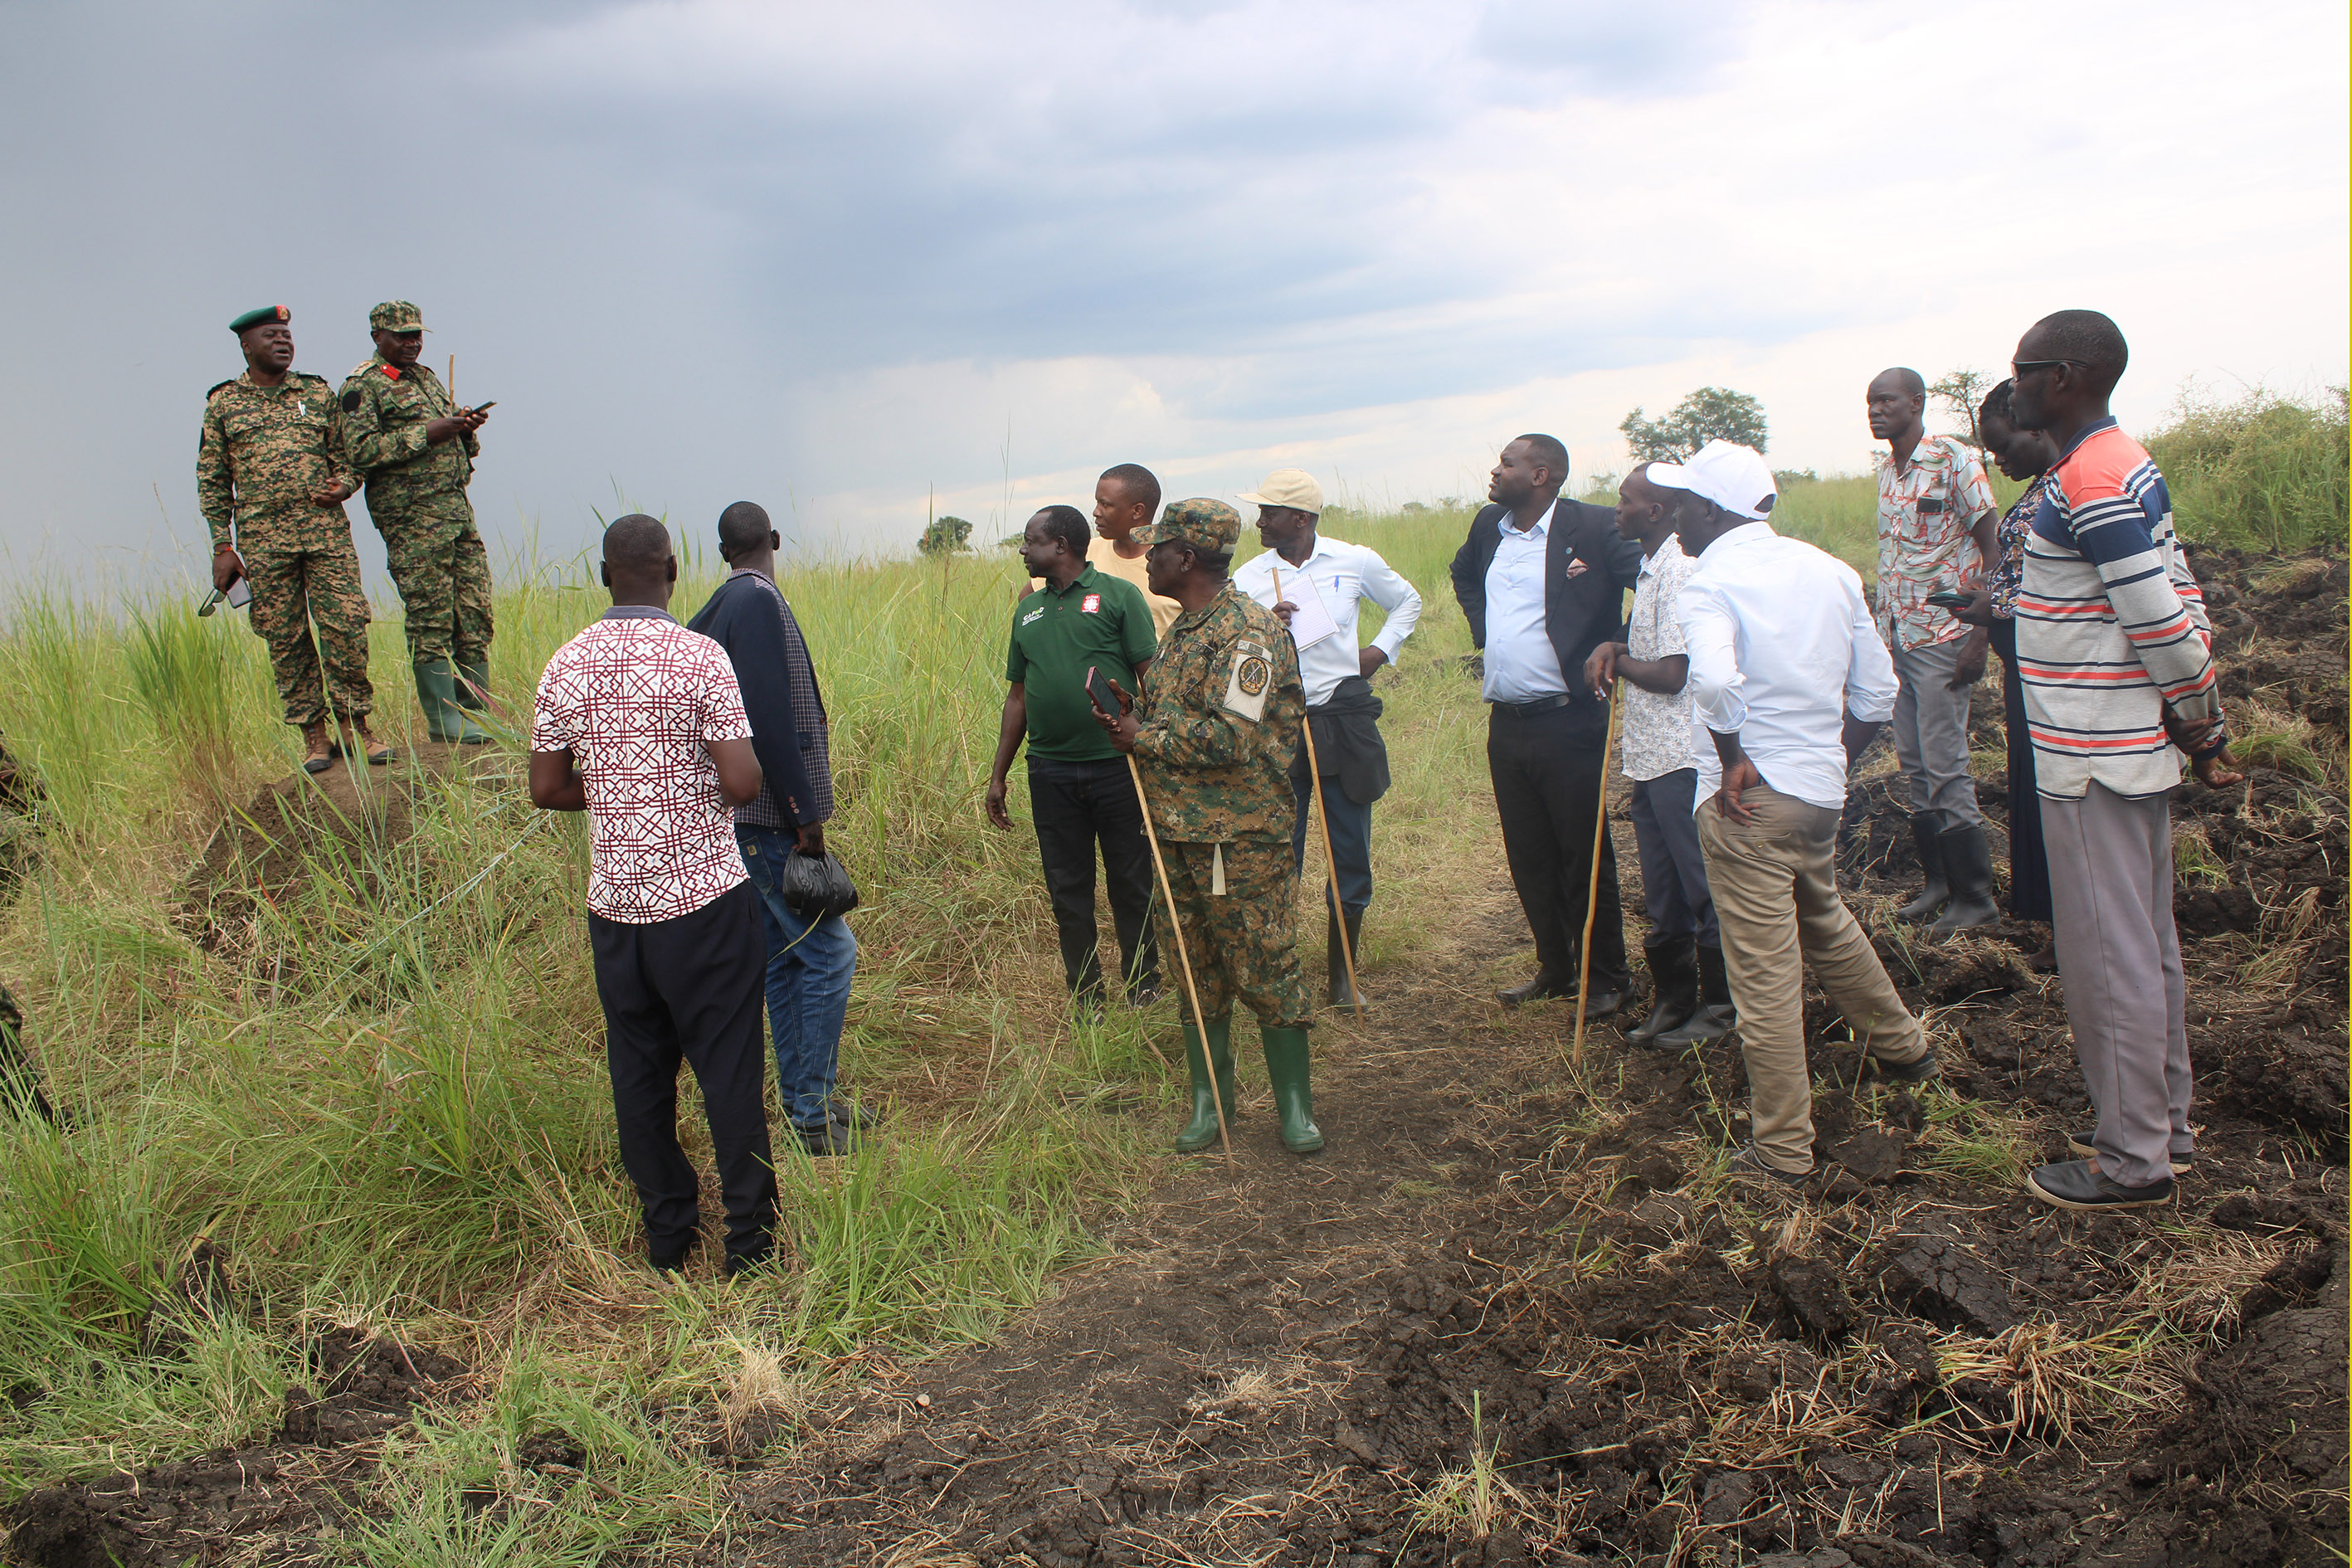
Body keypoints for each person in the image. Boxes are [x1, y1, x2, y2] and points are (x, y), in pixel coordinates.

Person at [1659, 441, 1938, 1186]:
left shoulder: (1706, 580)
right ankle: (1905, 1049)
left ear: (1713, 509)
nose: (1674, 515)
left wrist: (1731, 755)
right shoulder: (1829, 571)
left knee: (1762, 977)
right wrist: (1830, 758)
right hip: (1816, 794)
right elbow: (1877, 695)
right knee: (1822, 917)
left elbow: (1714, 680)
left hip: (1747, 803)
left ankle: (1781, 1151)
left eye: (1682, 502)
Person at [2007, 309, 2232, 1213]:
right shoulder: (2120, 462)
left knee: (2108, 961)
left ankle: (2133, 1161)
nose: (2012, 383)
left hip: (2093, 758)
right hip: (2127, 750)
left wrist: (2203, 720)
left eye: (2022, 369)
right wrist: (2193, 718)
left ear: (2063, 376)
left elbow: (2160, 619)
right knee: (2147, 947)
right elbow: (2182, 590)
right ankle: (2165, 1128)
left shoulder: (2090, 478)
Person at [528, 514, 778, 1274]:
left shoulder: (564, 664)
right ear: (673, 569)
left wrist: (614, 793)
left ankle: (668, 1236)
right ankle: (749, 1244)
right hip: (703, 897)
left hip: (616, 910)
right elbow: (740, 781)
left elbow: (545, 788)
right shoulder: (700, 657)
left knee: (638, 1075)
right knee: (728, 1071)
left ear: (607, 576)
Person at [1091, 499, 1318, 1154]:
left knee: (1265, 963)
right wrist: (1135, 721)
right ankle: (1208, 1102)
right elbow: (1179, 713)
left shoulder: (1248, 633)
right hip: (1175, 833)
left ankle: (1293, 1111)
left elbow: (1231, 737)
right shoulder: (1186, 631)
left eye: (1155, 549)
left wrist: (1144, 736)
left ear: (1184, 559)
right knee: (1194, 969)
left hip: (1240, 837)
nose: (1146, 559)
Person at [686, 503, 865, 1156]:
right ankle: (812, 1114)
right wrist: (803, 811)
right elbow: (763, 712)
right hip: (765, 818)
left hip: (742, 817)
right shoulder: (758, 603)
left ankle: (804, 1103)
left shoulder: (716, 605)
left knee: (787, 959)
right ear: (775, 541)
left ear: (721, 549)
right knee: (827, 953)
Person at [1448, 435, 1643, 1010]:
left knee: (1581, 852)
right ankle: (1556, 967)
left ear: (1541, 475)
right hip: (1507, 722)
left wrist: (1620, 643)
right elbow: (1461, 575)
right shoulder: (1490, 527)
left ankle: (1606, 977)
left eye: (1506, 463)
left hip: (1570, 719)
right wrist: (1487, 633)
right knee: (1528, 853)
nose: (1494, 470)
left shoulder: (1593, 527)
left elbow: (1653, 586)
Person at [1232, 468, 1422, 1009]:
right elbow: (1238, 661)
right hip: (1279, 726)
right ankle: (1282, 974)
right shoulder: (1247, 577)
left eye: (1269, 512)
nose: (1260, 520)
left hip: (1341, 720)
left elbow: (1406, 602)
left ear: (1302, 518)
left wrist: (1378, 652)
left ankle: (1343, 979)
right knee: (1277, 853)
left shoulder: (1353, 561)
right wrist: (1263, 625)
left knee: (1348, 850)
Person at [197, 305, 387, 775]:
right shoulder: (223, 404)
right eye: (271, 335)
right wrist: (223, 546)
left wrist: (345, 484)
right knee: (286, 638)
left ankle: (354, 724)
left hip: (325, 537)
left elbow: (348, 456)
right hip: (264, 545)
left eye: (286, 334)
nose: (283, 341)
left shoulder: (317, 393)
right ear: (247, 346)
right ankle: (314, 736)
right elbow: (212, 481)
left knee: (345, 625)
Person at [986, 504, 1161, 1010]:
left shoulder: (1119, 596)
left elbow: (1151, 675)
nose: (1022, 550)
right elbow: (1018, 695)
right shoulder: (1028, 608)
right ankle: (1086, 995)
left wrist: (1152, 741)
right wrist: (998, 775)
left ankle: (1143, 987)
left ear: (1060, 545)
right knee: (1068, 889)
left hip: (1117, 768)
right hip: (1050, 770)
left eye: (1030, 541)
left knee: (1131, 881)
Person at [1580, 465, 1731, 1047]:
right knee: (1662, 888)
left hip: (1681, 755)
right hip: (1649, 755)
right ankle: (1674, 999)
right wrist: (1615, 643)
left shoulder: (1680, 569)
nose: (1614, 510)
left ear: (1656, 512)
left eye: (1624, 501)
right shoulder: (1650, 569)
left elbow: (1672, 673)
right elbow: (1651, 646)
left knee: (1697, 885)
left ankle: (1720, 1007)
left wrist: (1617, 661)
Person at [1867, 367, 2003, 933]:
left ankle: (1976, 896)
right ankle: (1938, 883)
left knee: (1946, 765)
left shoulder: (1952, 459)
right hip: (1899, 636)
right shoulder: (1887, 472)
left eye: (1887, 400)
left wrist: (1981, 635)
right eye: (1870, 402)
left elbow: (1992, 546)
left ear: (1916, 403)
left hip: (1944, 637)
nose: (1875, 410)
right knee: (1916, 764)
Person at [338, 301, 495, 744]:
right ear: (377, 337)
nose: (412, 343)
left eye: (417, 335)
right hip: (412, 520)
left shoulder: (425, 378)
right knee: (432, 617)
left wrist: (464, 428)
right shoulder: (361, 386)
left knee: (475, 612)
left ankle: (475, 712)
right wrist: (428, 432)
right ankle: (443, 719)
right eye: (402, 336)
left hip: (455, 512)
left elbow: (457, 447)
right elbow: (360, 451)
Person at [1955, 380, 2062, 963]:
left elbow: (2067, 596)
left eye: (2003, 446)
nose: (1999, 461)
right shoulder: (2039, 491)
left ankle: (2069, 920)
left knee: (2054, 794)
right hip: (2025, 665)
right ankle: (2051, 917)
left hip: (2053, 670)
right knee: (2030, 785)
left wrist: (1992, 607)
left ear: (2037, 427)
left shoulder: (2066, 493)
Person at [1086, 463, 1184, 640]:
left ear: (1137, 511)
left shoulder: (1177, 563)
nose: (1096, 512)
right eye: (1097, 502)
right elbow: (1032, 599)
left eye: (1105, 505)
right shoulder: (1085, 553)